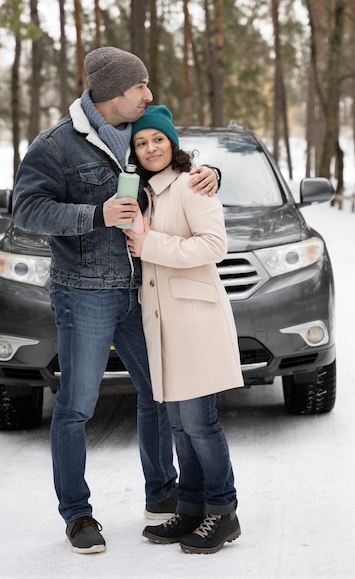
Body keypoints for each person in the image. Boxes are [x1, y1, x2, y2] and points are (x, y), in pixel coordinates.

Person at [12, 47, 219, 555]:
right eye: (141, 87)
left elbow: (172, 168)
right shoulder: (57, 146)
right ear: (113, 93)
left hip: (143, 290)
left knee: (160, 394)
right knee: (78, 407)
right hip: (84, 293)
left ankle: (162, 496)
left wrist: (212, 173)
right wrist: (93, 215)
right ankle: (78, 515)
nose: (149, 95)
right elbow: (27, 211)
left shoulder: (137, 135)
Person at [124, 105, 243, 555]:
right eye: (141, 142)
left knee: (199, 421)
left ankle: (223, 510)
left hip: (195, 318)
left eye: (158, 139)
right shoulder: (144, 194)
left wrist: (151, 243)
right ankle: (192, 506)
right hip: (161, 322)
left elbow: (215, 245)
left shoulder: (193, 183)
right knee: (177, 422)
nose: (151, 148)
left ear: (172, 143)